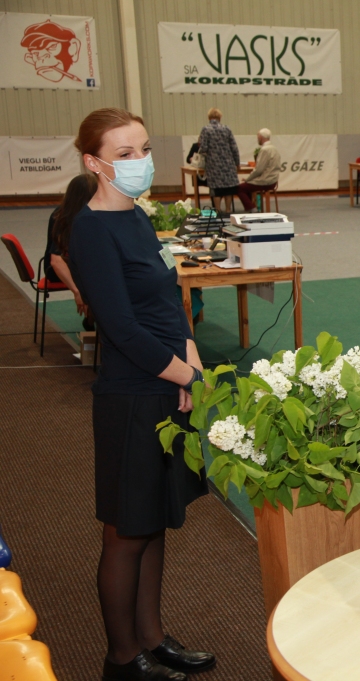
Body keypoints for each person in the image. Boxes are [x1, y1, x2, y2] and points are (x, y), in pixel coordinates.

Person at [69, 108, 216, 681]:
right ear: (94, 163)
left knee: (154, 519)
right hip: (133, 393)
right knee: (127, 530)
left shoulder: (136, 215)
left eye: (144, 149)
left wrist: (190, 360)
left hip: (167, 382)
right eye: (125, 154)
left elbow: (167, 301)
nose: (140, 162)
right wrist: (186, 378)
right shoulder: (90, 228)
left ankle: (154, 639)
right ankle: (122, 659)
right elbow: (122, 327)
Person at [44, 173, 97, 329]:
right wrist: (77, 291)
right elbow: (56, 261)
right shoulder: (60, 216)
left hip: (79, 264)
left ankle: (93, 319)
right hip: (58, 268)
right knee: (95, 280)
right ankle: (92, 320)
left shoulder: (91, 215)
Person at [198, 108, 239, 214]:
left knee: (216, 190)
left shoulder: (206, 129)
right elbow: (234, 147)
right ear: (220, 117)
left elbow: (203, 148)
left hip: (213, 165)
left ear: (209, 117)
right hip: (228, 163)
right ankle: (228, 210)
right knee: (228, 189)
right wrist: (237, 163)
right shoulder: (227, 129)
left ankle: (218, 210)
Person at [237, 128, 282, 213]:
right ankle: (251, 207)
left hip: (266, 181)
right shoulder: (274, 148)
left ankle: (251, 208)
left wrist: (248, 179)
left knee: (240, 188)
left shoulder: (265, 150)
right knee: (247, 186)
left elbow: (258, 170)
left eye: (258, 137)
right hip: (273, 180)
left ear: (260, 137)